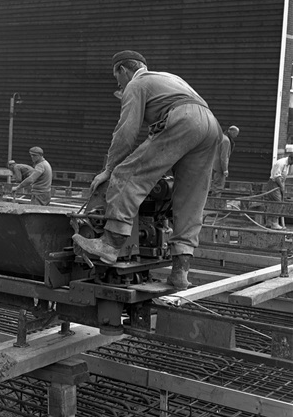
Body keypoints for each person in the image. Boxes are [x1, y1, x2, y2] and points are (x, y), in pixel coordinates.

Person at [72, 50, 222, 290]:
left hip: (184, 118)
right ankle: (180, 271)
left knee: (126, 174)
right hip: (211, 125)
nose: (119, 85)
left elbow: (126, 134)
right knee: (190, 199)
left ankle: (110, 244)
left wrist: (109, 169)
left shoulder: (137, 83)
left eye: (117, 79)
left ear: (123, 70)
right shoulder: (167, 78)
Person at [264, 154, 292, 230]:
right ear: (290, 158)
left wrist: (283, 186)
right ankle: (274, 223)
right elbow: (277, 177)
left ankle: (269, 222)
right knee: (277, 203)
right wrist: (281, 186)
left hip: (278, 184)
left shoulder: (287, 164)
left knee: (274, 203)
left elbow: (283, 177)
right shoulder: (281, 163)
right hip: (274, 184)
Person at [210, 125, 240, 197]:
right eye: (236, 134)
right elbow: (224, 156)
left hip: (213, 165)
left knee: (213, 185)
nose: (236, 136)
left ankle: (212, 202)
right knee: (218, 187)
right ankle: (215, 204)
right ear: (232, 132)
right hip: (219, 167)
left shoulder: (220, 138)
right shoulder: (226, 141)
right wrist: (225, 169)